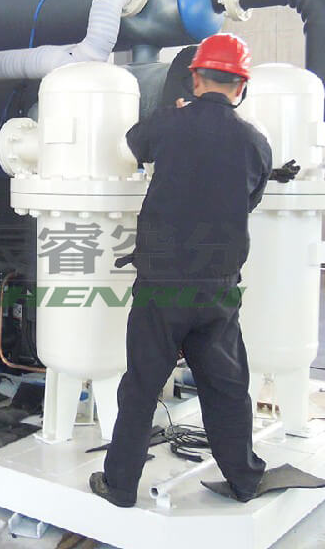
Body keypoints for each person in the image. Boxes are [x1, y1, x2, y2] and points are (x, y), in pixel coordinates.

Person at [90, 33, 273, 507]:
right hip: (218, 290)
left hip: (162, 287)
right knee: (227, 388)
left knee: (142, 386)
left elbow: (132, 145)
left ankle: (120, 485)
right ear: (241, 86)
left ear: (195, 78)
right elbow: (250, 199)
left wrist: (173, 114)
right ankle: (244, 479)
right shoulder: (255, 142)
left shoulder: (169, 124)